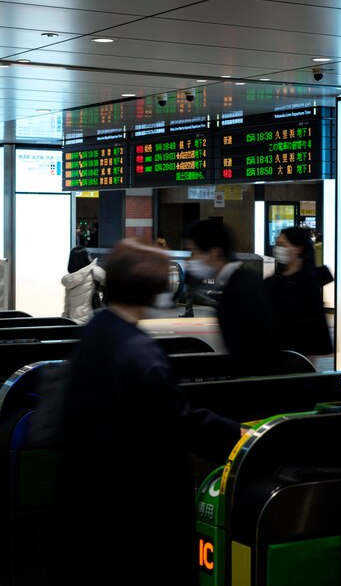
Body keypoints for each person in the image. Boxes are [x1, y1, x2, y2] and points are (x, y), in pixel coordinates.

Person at [53, 238, 243, 586]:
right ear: (154, 290)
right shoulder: (138, 351)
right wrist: (239, 436)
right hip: (138, 504)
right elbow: (178, 418)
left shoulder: (99, 328)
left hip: (91, 494)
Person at [182, 219, 279, 376]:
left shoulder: (234, 294)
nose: (190, 261)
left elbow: (245, 357)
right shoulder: (250, 278)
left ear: (215, 253)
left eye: (194, 252)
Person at [264, 226, 333, 359]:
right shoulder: (276, 280)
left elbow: (312, 327)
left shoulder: (307, 283)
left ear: (298, 249)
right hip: (277, 350)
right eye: (277, 244)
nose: (278, 249)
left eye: (283, 245)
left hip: (298, 354)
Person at [61, 245, 106, 323]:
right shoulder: (94, 271)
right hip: (91, 321)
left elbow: (67, 306)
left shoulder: (70, 280)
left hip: (74, 322)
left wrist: (64, 323)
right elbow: (112, 285)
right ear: (85, 257)